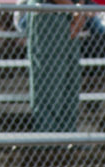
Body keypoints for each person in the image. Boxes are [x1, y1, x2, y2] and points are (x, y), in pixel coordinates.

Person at [26, 0, 84, 133]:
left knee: (71, 80)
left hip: (68, 15)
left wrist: (79, 11)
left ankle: (68, 136)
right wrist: (73, 9)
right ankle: (48, 137)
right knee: (49, 82)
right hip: (47, 13)